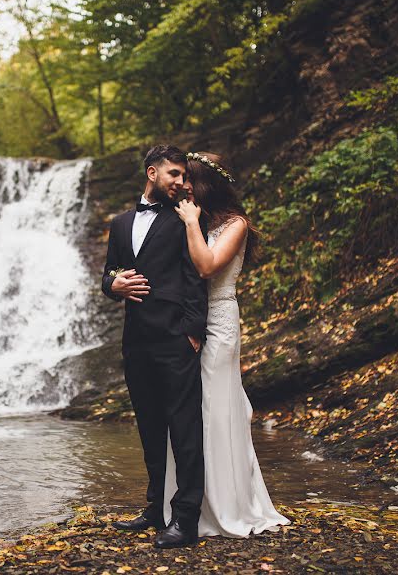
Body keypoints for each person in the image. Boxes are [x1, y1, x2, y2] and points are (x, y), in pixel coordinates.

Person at [163, 151, 290, 537]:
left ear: (207, 183)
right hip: (193, 320)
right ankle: (187, 504)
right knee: (190, 410)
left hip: (219, 320)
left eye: (190, 179)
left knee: (217, 407)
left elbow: (206, 267)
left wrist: (189, 223)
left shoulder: (236, 224)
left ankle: (228, 505)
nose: (184, 185)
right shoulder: (198, 218)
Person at [101, 145, 208, 549]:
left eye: (183, 176)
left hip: (175, 337)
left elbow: (196, 274)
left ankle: (185, 519)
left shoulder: (183, 218)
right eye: (175, 174)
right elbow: (108, 272)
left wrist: (193, 329)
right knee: (149, 428)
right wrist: (113, 284)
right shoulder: (120, 222)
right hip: (137, 341)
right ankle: (154, 508)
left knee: (184, 429)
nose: (182, 182)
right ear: (152, 172)